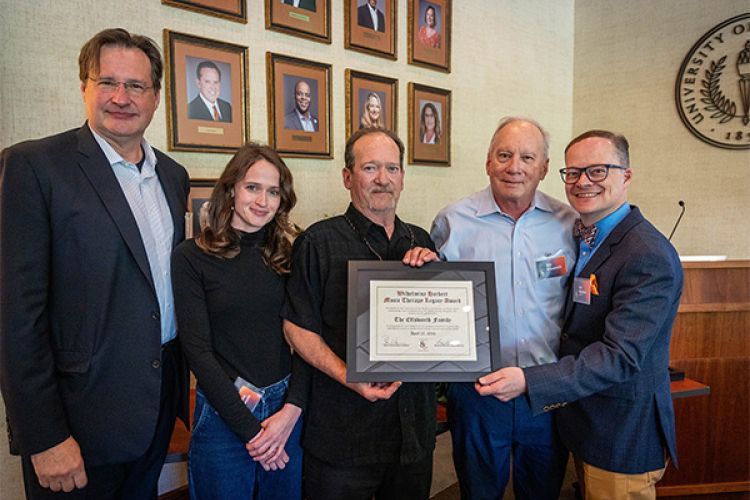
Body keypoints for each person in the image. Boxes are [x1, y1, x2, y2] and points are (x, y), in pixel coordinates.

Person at [0, 28, 189, 498]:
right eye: (107, 82)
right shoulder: (34, 167)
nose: (121, 97)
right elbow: (14, 316)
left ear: (157, 97)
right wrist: (44, 437)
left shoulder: (173, 175)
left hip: (157, 403)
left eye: (136, 86)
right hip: (78, 421)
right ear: (84, 87)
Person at [484, 130, 683, 500]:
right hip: (585, 421)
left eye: (598, 171)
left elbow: (619, 356)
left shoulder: (646, 254)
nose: (582, 182)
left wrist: (529, 379)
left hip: (621, 434)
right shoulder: (585, 236)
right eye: (573, 172)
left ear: (626, 175)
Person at [282, 128, 439, 500]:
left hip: (411, 433)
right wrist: (348, 376)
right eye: (370, 168)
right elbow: (296, 328)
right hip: (343, 436)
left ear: (402, 178)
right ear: (348, 177)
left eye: (392, 168)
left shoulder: (422, 242)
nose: (383, 179)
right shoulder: (318, 242)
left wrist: (438, 278)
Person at [429, 117, 577, 499]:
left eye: (527, 157)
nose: (515, 167)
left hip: (546, 390)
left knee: (543, 492)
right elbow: (432, 299)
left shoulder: (570, 224)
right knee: (478, 493)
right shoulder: (452, 221)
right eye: (504, 155)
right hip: (477, 392)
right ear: (488, 162)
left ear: (544, 168)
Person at [172, 143, 307, 499]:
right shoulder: (191, 257)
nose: (263, 201)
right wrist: (254, 433)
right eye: (253, 187)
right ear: (231, 189)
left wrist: (289, 414)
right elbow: (198, 352)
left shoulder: (289, 254)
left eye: (274, 191)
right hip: (223, 412)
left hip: (285, 411)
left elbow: (308, 341)